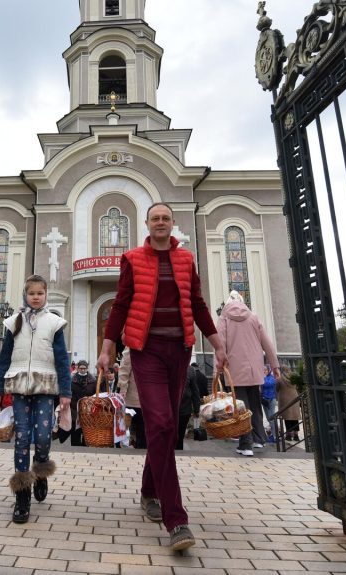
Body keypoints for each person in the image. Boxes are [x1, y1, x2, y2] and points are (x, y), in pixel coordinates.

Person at [96, 202, 228, 552]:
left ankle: (148, 491)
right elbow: (121, 305)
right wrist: (107, 348)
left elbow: (197, 304)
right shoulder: (133, 259)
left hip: (180, 351)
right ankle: (176, 519)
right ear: (146, 223)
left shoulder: (186, 260)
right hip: (146, 350)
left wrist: (217, 343)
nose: (160, 222)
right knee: (160, 421)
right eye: (155, 218)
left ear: (173, 224)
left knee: (166, 427)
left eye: (165, 218)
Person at [0, 274, 71, 524]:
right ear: (25, 295)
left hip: (46, 386)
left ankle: (41, 469)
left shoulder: (54, 323)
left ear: (46, 295)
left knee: (44, 437)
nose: (36, 297)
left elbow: (62, 359)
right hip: (19, 385)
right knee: (22, 437)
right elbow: (4, 358)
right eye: (31, 293)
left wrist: (66, 392)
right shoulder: (13, 322)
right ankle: (22, 496)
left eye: (40, 293)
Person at [216, 290, 281, 456]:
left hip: (234, 371)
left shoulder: (224, 318)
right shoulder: (253, 317)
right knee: (255, 406)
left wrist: (218, 367)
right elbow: (267, 343)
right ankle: (259, 439)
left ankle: (246, 445)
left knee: (241, 408)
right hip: (255, 370)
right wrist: (275, 366)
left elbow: (220, 344)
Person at [117, 349, 145, 449]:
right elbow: (124, 369)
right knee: (139, 430)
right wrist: (123, 389)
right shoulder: (131, 347)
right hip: (136, 398)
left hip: (150, 397)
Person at [70, 359, 97, 445]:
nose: (82, 370)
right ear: (77, 368)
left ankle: (86, 446)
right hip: (74, 408)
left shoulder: (92, 380)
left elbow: (95, 393)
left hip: (88, 409)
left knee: (86, 430)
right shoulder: (72, 380)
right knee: (75, 430)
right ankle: (75, 446)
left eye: (84, 368)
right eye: (81, 368)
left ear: (87, 368)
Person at [177, 364, 201, 450]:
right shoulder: (166, 365)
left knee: (179, 435)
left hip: (184, 409)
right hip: (169, 408)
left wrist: (196, 409)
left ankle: (178, 455)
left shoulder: (190, 370)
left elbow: (195, 391)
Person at [260, 365, 278, 443]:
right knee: (268, 418)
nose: (264, 371)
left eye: (265, 370)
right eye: (263, 370)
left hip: (271, 399)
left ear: (269, 370)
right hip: (264, 399)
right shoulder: (262, 378)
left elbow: (267, 384)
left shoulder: (271, 377)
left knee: (271, 418)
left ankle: (275, 436)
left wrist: (263, 377)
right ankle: (272, 435)